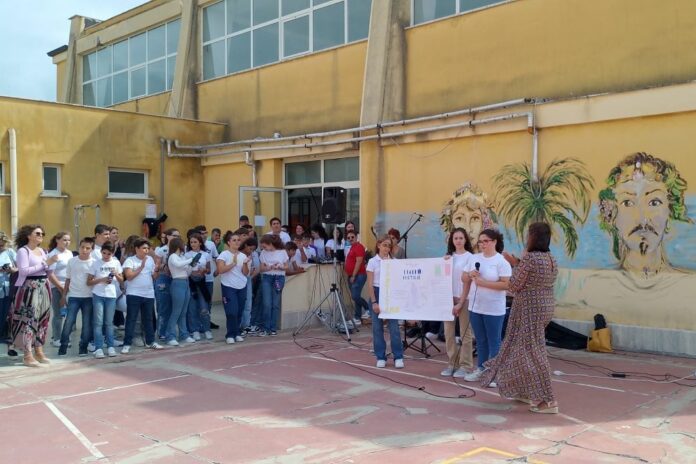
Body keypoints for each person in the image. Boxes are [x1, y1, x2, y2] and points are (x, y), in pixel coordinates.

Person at [481, 223, 559, 414]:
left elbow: (514, 286)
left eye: (528, 234)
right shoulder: (550, 258)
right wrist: (517, 262)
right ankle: (524, 391)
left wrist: (518, 264)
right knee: (522, 350)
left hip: (529, 310)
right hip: (544, 306)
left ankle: (549, 401)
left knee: (534, 352)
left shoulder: (530, 258)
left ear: (533, 237)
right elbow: (534, 277)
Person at [598, 152, 692, 276]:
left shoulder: (688, 285)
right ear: (612, 216)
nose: (642, 220)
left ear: (670, 212)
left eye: (654, 202)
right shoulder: (597, 284)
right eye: (628, 203)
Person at [462, 229, 511, 383]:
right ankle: (481, 369)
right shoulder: (475, 258)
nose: (482, 244)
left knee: (494, 340)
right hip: (476, 307)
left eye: (486, 241)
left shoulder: (501, 261)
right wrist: (470, 275)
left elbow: (505, 285)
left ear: (494, 242)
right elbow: (464, 278)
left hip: (494, 308)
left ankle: (494, 373)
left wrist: (484, 283)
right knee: (481, 340)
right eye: (480, 241)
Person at [9, 225, 59, 366]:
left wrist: (50, 266)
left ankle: (39, 350)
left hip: (44, 286)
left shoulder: (42, 251)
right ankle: (27, 354)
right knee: (28, 320)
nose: (41, 235)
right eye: (37, 233)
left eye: (42, 233)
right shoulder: (23, 251)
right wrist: (45, 263)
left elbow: (46, 269)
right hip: (29, 288)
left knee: (43, 319)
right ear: (28, 235)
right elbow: (24, 271)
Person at [366, 235, 404, 369]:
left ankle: (398, 356)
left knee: (394, 328)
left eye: (389, 246)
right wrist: (374, 302)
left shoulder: (394, 262)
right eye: (384, 245)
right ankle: (380, 356)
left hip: (390, 294)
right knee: (377, 328)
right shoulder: (372, 261)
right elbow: (370, 284)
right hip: (376, 292)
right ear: (378, 245)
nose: (386, 248)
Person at [122, 238, 162, 353]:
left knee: (148, 319)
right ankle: (127, 344)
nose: (146, 250)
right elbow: (129, 276)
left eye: (147, 248)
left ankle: (150, 342)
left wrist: (157, 269)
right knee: (131, 319)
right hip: (134, 294)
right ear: (136, 249)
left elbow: (153, 277)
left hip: (148, 294)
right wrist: (141, 267)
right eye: (144, 248)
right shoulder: (130, 260)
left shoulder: (150, 259)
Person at [444, 228, 475, 377]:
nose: (458, 241)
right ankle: (452, 363)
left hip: (464, 299)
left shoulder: (471, 257)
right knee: (448, 333)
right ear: (452, 240)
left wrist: (461, 302)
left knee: (465, 333)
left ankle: (466, 365)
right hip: (448, 299)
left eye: (461, 238)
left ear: (465, 240)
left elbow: (468, 282)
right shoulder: (448, 258)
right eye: (455, 238)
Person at [58, 237, 95, 357]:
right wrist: (64, 295)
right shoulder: (72, 261)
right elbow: (67, 279)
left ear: (92, 249)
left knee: (86, 324)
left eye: (87, 248)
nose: (84, 250)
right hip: (73, 296)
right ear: (78, 247)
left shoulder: (94, 263)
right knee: (69, 321)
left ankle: (83, 347)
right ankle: (63, 346)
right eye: (82, 247)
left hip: (88, 297)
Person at [87, 241, 124, 359]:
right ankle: (98, 348)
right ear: (101, 251)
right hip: (98, 294)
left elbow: (122, 280)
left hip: (111, 295)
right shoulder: (95, 263)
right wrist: (102, 279)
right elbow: (89, 282)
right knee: (98, 322)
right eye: (104, 253)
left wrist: (116, 274)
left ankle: (110, 346)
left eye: (109, 254)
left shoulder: (116, 262)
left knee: (109, 322)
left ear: (113, 253)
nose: (106, 256)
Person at [440, 182, 496, 251]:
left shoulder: (494, 259)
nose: (468, 229)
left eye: (475, 218)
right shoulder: (449, 260)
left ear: (484, 223)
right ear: (451, 225)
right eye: (459, 218)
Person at [217, 231, 251, 344]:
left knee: (239, 310)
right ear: (229, 242)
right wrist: (233, 263)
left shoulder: (243, 256)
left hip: (242, 286)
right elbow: (220, 270)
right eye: (234, 240)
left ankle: (237, 333)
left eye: (238, 240)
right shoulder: (224, 254)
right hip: (228, 286)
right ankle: (230, 334)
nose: (237, 242)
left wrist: (245, 264)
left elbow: (245, 273)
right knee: (232, 311)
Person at [166, 237, 195, 346]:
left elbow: (187, 272)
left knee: (183, 311)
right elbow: (178, 265)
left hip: (185, 282)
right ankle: (170, 336)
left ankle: (184, 334)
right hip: (177, 283)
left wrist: (191, 265)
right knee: (176, 311)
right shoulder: (173, 256)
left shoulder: (181, 257)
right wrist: (190, 260)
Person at [258, 234, 288, 337]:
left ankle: (273, 328)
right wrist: (269, 267)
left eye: (265, 246)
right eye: (263, 247)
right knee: (267, 303)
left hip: (279, 277)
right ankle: (266, 328)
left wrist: (280, 267)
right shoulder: (263, 253)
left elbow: (286, 266)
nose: (264, 248)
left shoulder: (282, 252)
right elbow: (261, 269)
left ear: (270, 244)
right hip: (267, 277)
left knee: (275, 304)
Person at [47, 231, 73, 347]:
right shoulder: (53, 254)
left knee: (69, 314)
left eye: (68, 240)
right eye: (64, 240)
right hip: (57, 287)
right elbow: (50, 274)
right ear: (57, 240)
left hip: (70, 287)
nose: (67, 242)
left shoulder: (70, 253)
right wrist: (60, 287)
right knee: (58, 314)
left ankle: (65, 336)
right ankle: (56, 338)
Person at [185, 233, 212, 341]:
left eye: (195, 242)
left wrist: (204, 270)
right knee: (192, 308)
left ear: (200, 243)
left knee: (204, 307)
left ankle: (207, 329)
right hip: (191, 282)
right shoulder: (187, 255)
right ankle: (194, 330)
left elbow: (209, 270)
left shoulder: (205, 254)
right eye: (191, 242)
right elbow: (186, 269)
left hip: (202, 282)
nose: (193, 244)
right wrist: (192, 272)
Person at [154, 228, 178, 338]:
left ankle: (170, 331)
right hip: (163, 278)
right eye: (174, 235)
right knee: (163, 306)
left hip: (175, 279)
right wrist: (165, 265)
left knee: (174, 307)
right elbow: (156, 266)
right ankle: (161, 332)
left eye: (178, 236)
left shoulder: (180, 250)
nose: (177, 238)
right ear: (168, 236)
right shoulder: (161, 250)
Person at [344, 230, 369, 325]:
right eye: (348, 237)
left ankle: (368, 308)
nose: (350, 239)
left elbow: (359, 262)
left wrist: (353, 275)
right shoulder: (352, 247)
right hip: (352, 275)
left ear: (356, 237)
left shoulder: (359, 247)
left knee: (355, 296)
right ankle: (357, 317)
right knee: (355, 297)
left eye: (352, 237)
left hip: (359, 275)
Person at [0, 232, 17, 350]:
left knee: (4, 314)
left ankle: (2, 335)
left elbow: (20, 267)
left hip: (6, 289)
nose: (0, 247)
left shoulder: (10, 252)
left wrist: (11, 270)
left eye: (2, 245)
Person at [240, 237, 260, 335]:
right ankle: (239, 326)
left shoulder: (250, 255)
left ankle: (246, 325)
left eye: (253, 250)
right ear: (245, 245)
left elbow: (249, 272)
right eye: (250, 249)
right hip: (238, 281)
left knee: (248, 304)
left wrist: (251, 274)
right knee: (240, 304)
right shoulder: (239, 255)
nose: (251, 251)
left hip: (247, 280)